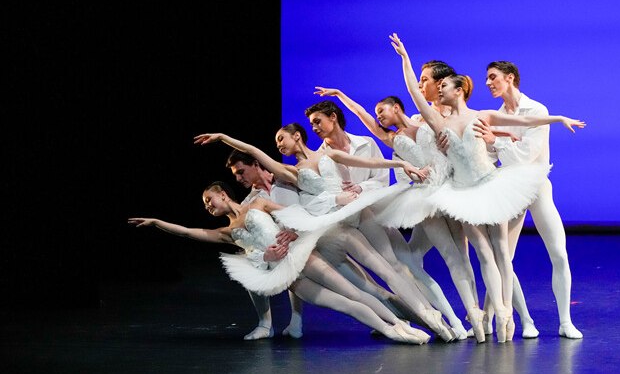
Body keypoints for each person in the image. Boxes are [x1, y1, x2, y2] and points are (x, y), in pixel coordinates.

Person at [390, 32, 585, 343]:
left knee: (517, 254)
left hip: (515, 185)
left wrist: (559, 118)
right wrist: (405, 59)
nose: (438, 90)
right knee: (488, 254)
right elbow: (415, 94)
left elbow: (529, 131)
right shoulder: (446, 123)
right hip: (471, 193)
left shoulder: (493, 114)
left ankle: (531, 317)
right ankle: (508, 318)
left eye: (493, 77)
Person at [194, 126, 456, 342]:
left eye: (241, 171)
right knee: (363, 292)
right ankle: (402, 326)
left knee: (381, 282)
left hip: (336, 231)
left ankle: (434, 321)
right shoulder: (263, 193)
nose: (239, 177)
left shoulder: (305, 167)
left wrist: (397, 162)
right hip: (315, 248)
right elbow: (265, 243)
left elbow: (356, 168)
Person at [128, 181, 430, 345]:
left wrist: (293, 230)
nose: (208, 206)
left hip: (300, 255)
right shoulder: (225, 232)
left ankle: (397, 324)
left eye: (210, 199)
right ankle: (392, 330)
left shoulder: (258, 203)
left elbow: (295, 212)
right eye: (205, 205)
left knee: (356, 293)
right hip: (286, 276)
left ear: (222, 194)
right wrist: (157, 222)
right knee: (343, 305)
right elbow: (188, 232)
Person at [312, 87, 478, 340]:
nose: (377, 116)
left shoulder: (419, 121)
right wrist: (341, 96)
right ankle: (443, 321)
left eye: (381, 111)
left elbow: (379, 178)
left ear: (396, 108)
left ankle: (466, 317)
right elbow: (361, 114)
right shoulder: (327, 156)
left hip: (433, 193)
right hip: (370, 215)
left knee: (443, 258)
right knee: (401, 269)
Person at [475, 60, 584, 339]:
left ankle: (565, 321)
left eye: (493, 77)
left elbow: (526, 156)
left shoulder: (536, 110)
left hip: (535, 186)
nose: (488, 83)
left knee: (559, 254)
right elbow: (489, 158)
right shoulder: (496, 116)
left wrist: (495, 142)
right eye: (487, 78)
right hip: (510, 189)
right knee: (504, 259)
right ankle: (525, 319)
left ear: (509, 78)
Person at [224, 149, 303, 339]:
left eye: (241, 172)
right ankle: (265, 324)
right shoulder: (249, 202)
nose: (238, 178)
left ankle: (296, 319)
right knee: (249, 263)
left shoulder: (285, 177)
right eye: (235, 175)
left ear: (256, 164)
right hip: (284, 248)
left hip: (310, 234)